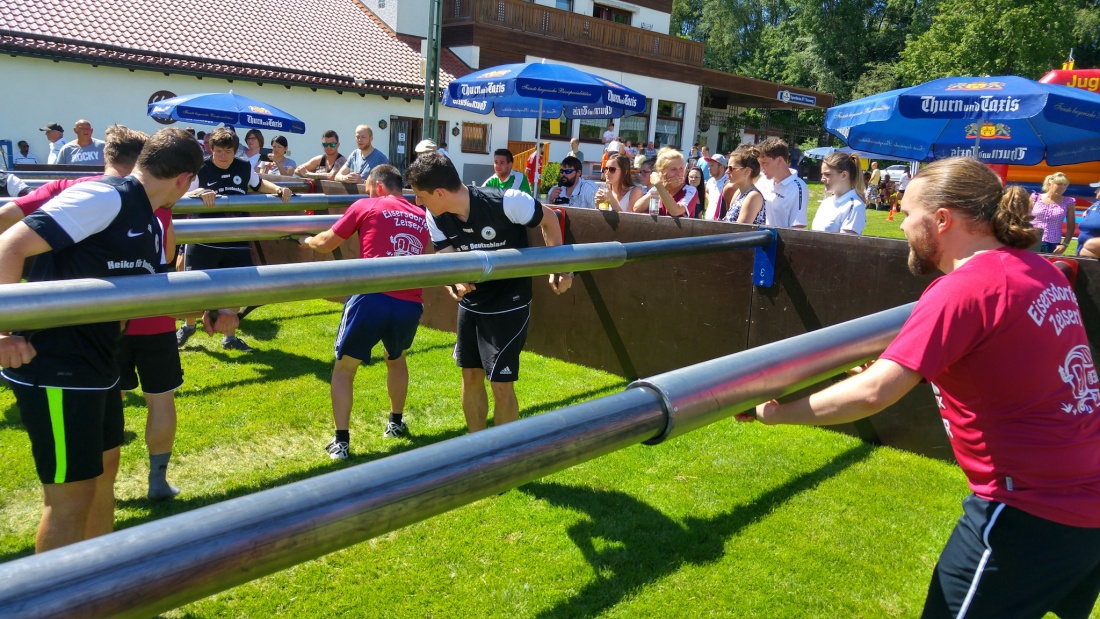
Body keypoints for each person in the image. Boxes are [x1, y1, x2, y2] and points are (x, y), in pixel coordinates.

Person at [739, 156, 1100, 618]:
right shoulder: (1040, 270)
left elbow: (873, 394)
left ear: (942, 219)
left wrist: (774, 412)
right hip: (1084, 500)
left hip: (1027, 510)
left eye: (909, 214)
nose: (904, 225)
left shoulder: (966, 287)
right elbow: (1007, 357)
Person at [0, 128, 207, 553]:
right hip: (54, 364)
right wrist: (3, 332)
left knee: (103, 476)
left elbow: (144, 299)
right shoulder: (105, 197)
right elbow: (8, 246)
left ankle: (99, 592)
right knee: (69, 498)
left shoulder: (150, 222)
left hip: (101, 363)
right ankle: (53, 605)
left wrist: (211, 311)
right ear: (184, 179)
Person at [405, 153, 572, 433]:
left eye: (420, 195)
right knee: (470, 375)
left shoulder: (507, 201)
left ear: (440, 193)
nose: (417, 202)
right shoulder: (434, 216)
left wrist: (561, 269)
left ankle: (504, 458)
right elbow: (448, 263)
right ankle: (477, 448)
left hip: (510, 302)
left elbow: (550, 219)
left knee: (500, 383)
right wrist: (455, 283)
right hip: (472, 305)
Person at [298, 165, 431, 459]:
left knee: (344, 369)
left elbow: (325, 243)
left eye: (370, 187)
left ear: (378, 186)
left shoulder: (367, 205)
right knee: (396, 359)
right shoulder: (422, 216)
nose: (369, 192)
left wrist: (305, 240)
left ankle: (341, 442)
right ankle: (395, 424)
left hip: (371, 296)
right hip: (410, 302)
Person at [176, 127, 293, 352]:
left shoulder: (243, 166)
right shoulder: (200, 168)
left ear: (234, 151)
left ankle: (229, 337)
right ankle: (188, 325)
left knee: (237, 286)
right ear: (211, 150)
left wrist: (279, 189)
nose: (223, 156)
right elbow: (181, 193)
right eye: (219, 151)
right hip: (203, 238)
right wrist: (198, 193)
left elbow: (259, 184)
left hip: (237, 237)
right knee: (194, 287)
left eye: (228, 151)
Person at [756, 138, 809, 229]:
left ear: (779, 160)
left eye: (764, 163)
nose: (761, 168)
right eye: (760, 163)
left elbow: (798, 227)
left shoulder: (798, 188)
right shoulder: (762, 181)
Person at [812, 151, 867, 235]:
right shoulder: (827, 202)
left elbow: (844, 245)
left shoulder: (854, 206)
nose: (822, 179)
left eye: (827, 174)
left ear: (844, 175)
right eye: (822, 174)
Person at [632, 148, 696, 217]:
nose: (679, 173)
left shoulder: (689, 190)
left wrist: (659, 186)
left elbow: (675, 211)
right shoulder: (658, 188)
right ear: (662, 172)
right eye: (673, 169)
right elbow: (636, 209)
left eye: (681, 168)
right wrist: (661, 188)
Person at [1031, 172, 1076, 254]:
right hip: (1032, 239)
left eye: (1065, 185)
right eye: (1059, 184)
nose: (1062, 187)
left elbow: (1071, 226)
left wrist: (1065, 244)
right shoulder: (1035, 197)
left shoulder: (1068, 202)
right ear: (1049, 184)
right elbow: (1024, 218)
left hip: (1053, 243)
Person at [721, 147, 766, 225]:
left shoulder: (753, 196)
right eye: (727, 167)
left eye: (731, 168)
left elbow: (741, 233)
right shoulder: (738, 192)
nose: (727, 172)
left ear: (746, 171)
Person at [702, 153, 729, 220]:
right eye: (709, 165)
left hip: (721, 223)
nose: (709, 168)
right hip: (708, 220)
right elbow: (706, 192)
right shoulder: (710, 181)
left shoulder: (728, 183)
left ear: (721, 167)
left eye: (712, 166)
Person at [1077, 180, 1100, 258]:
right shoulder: (1096, 205)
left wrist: (1091, 245)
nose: (1095, 191)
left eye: (1098, 188)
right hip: (1082, 256)